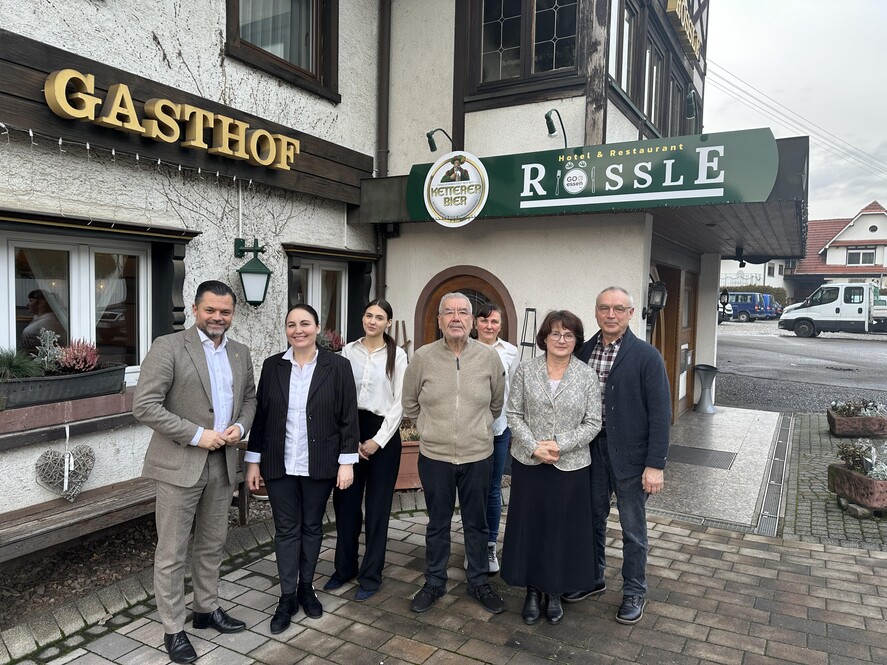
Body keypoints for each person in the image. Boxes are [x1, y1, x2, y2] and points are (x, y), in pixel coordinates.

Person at [133, 280, 257, 664]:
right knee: (171, 551)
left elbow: (250, 398)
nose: (218, 318)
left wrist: (240, 426)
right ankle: (173, 628)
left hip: (223, 465)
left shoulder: (240, 352)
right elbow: (145, 406)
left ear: (232, 314)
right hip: (179, 465)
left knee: (212, 543)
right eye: (211, 310)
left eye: (225, 312)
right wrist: (198, 435)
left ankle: (206, 608)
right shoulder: (168, 347)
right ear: (194, 309)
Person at [245, 304, 359, 634]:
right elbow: (262, 417)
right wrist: (253, 461)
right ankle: (285, 597)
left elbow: (348, 417)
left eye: (305, 324)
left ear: (317, 327)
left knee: (312, 526)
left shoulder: (337, 366)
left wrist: (346, 463)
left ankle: (306, 588)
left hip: (320, 463)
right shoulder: (272, 367)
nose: (299, 330)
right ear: (286, 330)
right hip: (279, 463)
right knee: (286, 530)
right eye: (292, 324)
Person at [567, 286, 671, 625]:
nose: (611, 314)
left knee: (632, 528)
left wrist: (655, 465)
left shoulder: (646, 356)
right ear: (595, 312)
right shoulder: (582, 352)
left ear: (630, 313)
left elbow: (660, 414)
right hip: (591, 452)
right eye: (604, 308)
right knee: (591, 520)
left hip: (631, 456)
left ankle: (634, 591)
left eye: (618, 309)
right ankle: (594, 577)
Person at [402, 292, 506, 614]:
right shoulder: (422, 357)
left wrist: (477, 428)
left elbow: (496, 403)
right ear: (439, 320)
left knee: (476, 523)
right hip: (435, 457)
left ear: (472, 321)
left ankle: (478, 582)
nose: (456, 318)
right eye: (449, 312)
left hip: (478, 455)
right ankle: (434, 581)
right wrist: (431, 431)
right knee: (438, 523)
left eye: (463, 312)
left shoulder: (489, 358)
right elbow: (409, 404)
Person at [500, 310, 601, 625]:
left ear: (576, 341)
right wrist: (534, 447)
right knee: (532, 527)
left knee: (561, 530)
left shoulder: (586, 375)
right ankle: (532, 589)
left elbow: (593, 422)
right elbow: (513, 413)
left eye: (569, 334)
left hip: (570, 465)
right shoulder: (527, 370)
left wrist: (559, 443)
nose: (562, 339)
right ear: (544, 337)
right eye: (556, 333)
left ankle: (554, 590)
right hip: (530, 463)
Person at [325, 299, 408, 601]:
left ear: (388, 322)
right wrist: (349, 439)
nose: (373, 321)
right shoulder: (348, 352)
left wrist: (377, 440)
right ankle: (344, 568)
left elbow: (400, 403)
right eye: (369, 315)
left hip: (383, 435)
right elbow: (339, 397)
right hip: (350, 430)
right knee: (346, 504)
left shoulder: (397, 356)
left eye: (380, 317)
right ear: (363, 318)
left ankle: (371, 575)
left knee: (377, 509)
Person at [473, 303, 519, 573]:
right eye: (484, 320)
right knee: (470, 491)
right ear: (475, 324)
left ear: (500, 326)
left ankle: (489, 546)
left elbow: (513, 392)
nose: (489, 326)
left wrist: (512, 426)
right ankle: (473, 545)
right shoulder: (464, 348)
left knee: (491, 489)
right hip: (469, 431)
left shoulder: (510, 352)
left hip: (499, 430)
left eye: (494, 322)